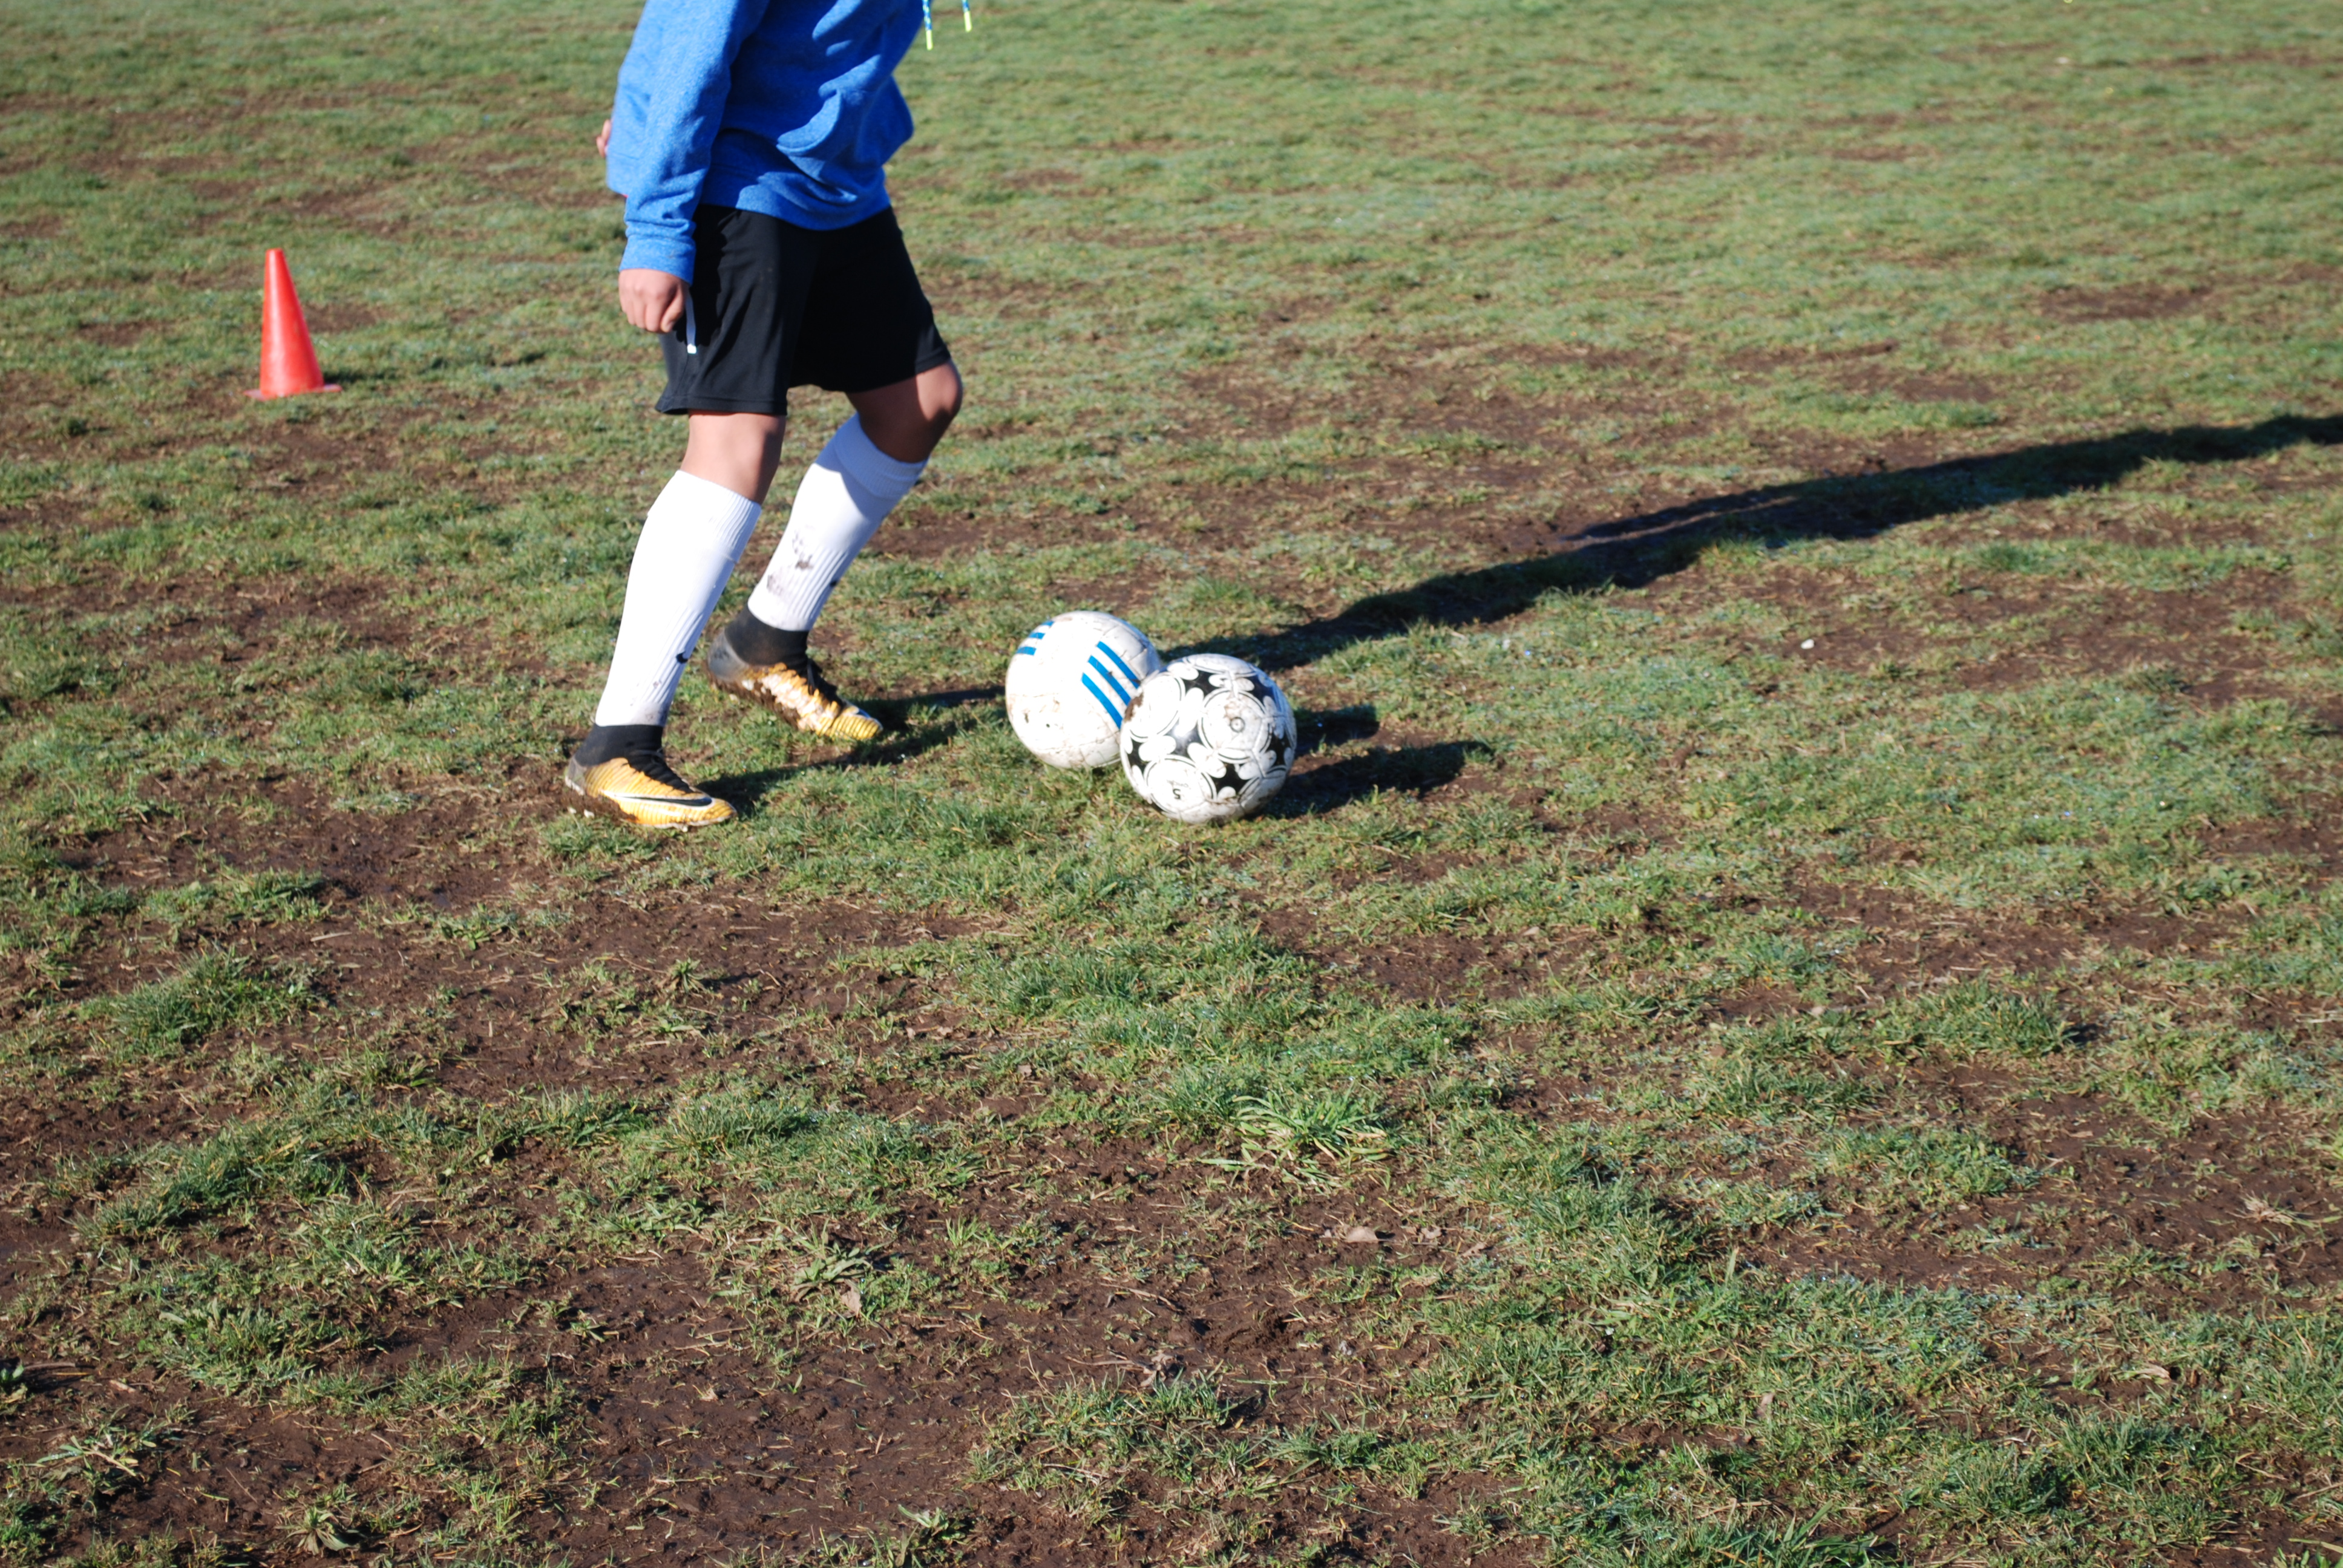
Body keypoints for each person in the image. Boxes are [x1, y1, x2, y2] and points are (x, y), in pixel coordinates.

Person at [565, 0, 964, 829]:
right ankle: (616, 746)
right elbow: (692, 34)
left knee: (918, 401)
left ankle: (764, 646)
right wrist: (657, 229)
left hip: (836, 182)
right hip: (735, 175)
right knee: (738, 440)